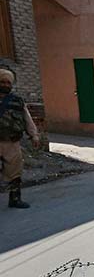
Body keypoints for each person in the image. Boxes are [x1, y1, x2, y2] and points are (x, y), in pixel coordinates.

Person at [0, 69, 40, 208]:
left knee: (15, 172)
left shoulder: (17, 101)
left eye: (8, 82)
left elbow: (27, 119)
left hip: (12, 142)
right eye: (2, 82)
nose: (5, 85)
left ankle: (15, 199)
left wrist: (34, 135)